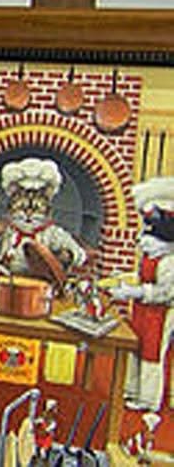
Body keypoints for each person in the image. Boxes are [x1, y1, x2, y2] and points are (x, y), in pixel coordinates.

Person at [108, 176, 174, 412]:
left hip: (160, 314)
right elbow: (141, 277)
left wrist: (134, 292)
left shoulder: (168, 262)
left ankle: (148, 399)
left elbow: (164, 293)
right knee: (135, 347)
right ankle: (131, 390)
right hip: (142, 310)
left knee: (151, 354)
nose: (141, 241)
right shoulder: (149, 257)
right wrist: (123, 280)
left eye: (149, 237)